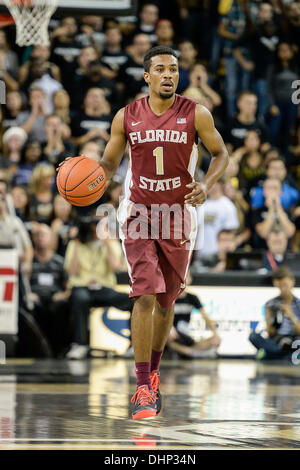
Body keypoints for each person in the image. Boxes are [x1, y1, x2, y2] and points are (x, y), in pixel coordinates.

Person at [62, 45, 228, 419]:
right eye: (161, 69)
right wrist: (80, 171)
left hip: (179, 214)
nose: (169, 75)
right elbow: (107, 162)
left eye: (174, 69)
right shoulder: (126, 116)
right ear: (146, 76)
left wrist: (207, 184)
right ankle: (141, 387)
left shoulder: (196, 114)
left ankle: (153, 372)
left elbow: (221, 154)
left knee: (168, 300)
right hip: (137, 213)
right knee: (145, 295)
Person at [64, 216, 133, 360]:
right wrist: (77, 241)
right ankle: (80, 344)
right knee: (80, 298)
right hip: (81, 287)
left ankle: (134, 345)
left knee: (133, 301)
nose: (95, 232)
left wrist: (107, 242)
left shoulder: (110, 244)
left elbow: (116, 267)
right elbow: (71, 271)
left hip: (104, 289)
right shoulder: (75, 244)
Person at [29, 223, 70, 357]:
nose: (40, 238)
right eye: (37, 235)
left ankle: (57, 349)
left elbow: (68, 286)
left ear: (52, 238)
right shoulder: (30, 261)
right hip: (36, 297)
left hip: (54, 298)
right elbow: (23, 284)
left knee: (60, 307)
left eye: (44, 235)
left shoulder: (59, 261)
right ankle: (36, 349)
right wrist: (28, 294)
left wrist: (63, 295)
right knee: (31, 306)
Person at [249, 266, 300, 360]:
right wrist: (274, 319)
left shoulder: (298, 304)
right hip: (277, 340)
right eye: (281, 286)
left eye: (285, 285)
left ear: (292, 281)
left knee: (295, 343)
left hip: (294, 339)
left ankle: (272, 354)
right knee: (253, 336)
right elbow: (270, 332)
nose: (283, 289)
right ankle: (284, 355)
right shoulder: (271, 304)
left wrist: (291, 315)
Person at [167, 271, 221, 358]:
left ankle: (189, 351)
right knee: (165, 335)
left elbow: (205, 317)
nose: (183, 280)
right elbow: (161, 317)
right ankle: (191, 352)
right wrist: (169, 328)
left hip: (185, 335)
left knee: (212, 340)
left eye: (186, 277)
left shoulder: (192, 297)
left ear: (190, 279)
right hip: (170, 334)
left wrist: (215, 334)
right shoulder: (169, 297)